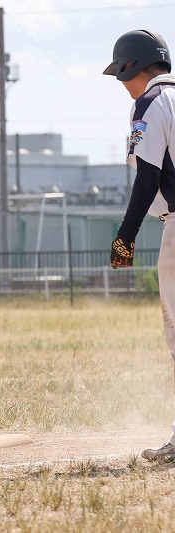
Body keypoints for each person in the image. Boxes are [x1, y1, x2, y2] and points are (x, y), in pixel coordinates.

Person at [104, 29, 175, 463]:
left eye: (120, 74)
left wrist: (125, 236)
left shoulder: (150, 102)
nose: (121, 84)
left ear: (130, 67)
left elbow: (148, 176)